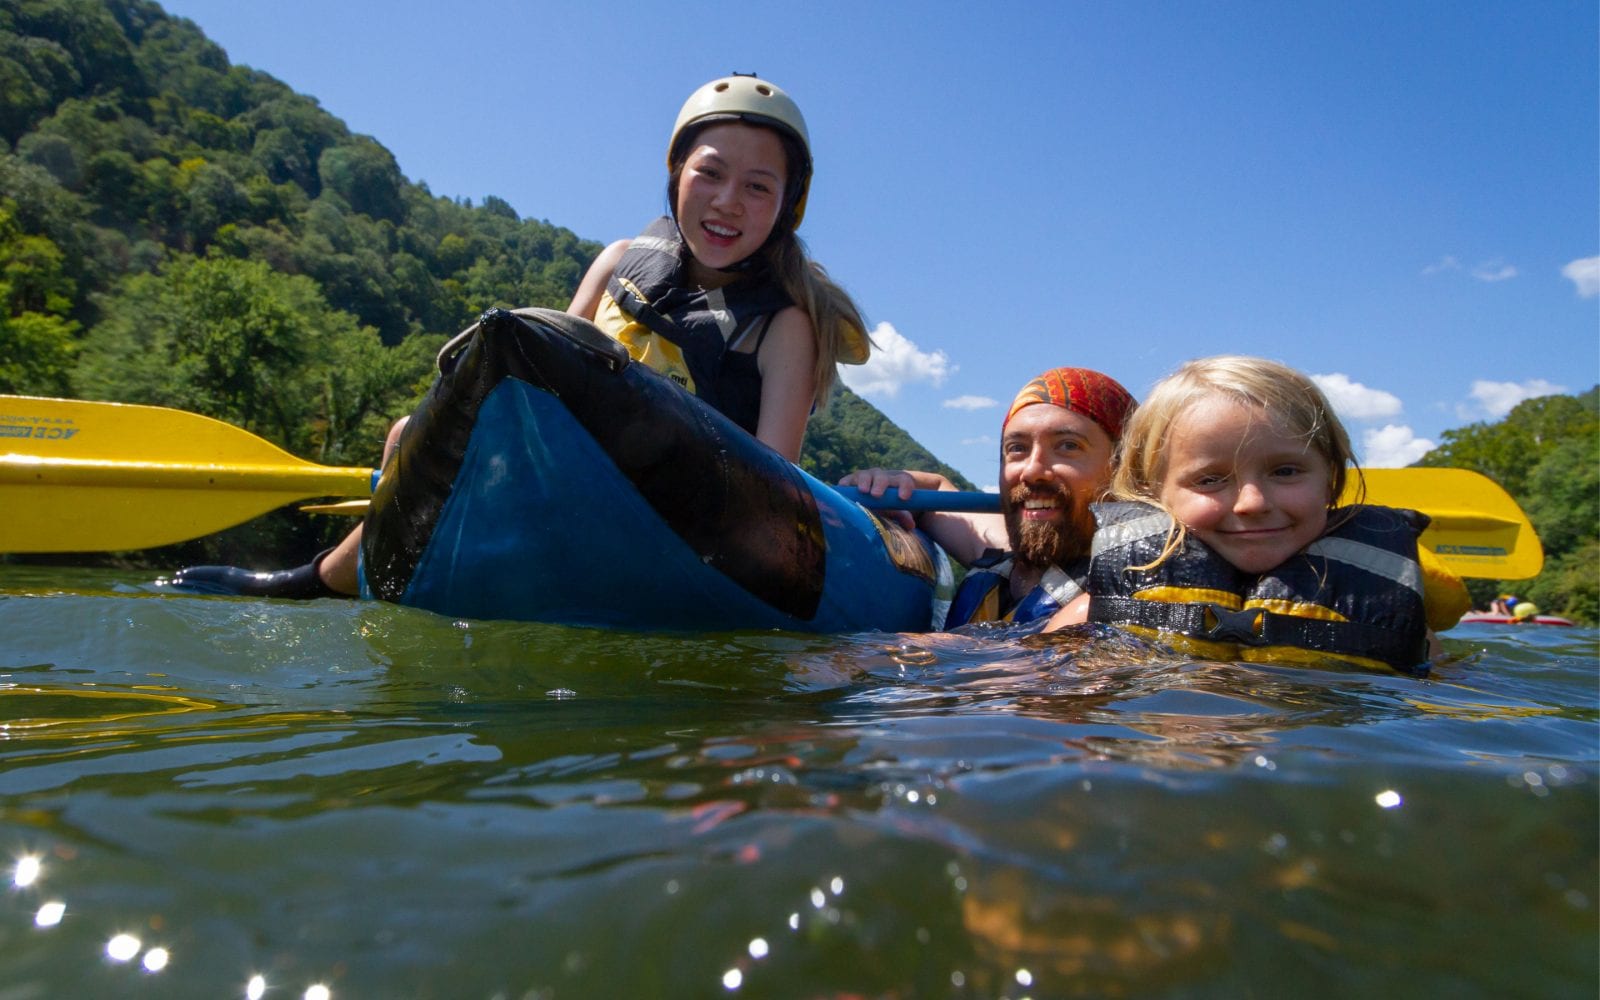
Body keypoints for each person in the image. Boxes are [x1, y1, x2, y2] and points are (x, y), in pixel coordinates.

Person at [173, 74, 869, 599]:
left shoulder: (785, 325)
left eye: (757, 187)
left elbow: (774, 491)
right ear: (676, 176)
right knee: (403, 433)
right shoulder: (620, 259)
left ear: (786, 206)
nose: (726, 202)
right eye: (709, 173)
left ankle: (323, 580)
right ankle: (343, 579)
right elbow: (542, 385)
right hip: (570, 489)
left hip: (682, 528)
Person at [1043, 355, 1471, 674]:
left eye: (1285, 471)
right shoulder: (1095, 611)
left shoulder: (1395, 623)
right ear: (1152, 493)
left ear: (1332, 482)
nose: (1252, 502)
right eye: (1210, 480)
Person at [842, 367, 1137, 628]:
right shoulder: (1003, 559)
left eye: (1068, 446)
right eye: (1017, 448)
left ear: (1126, 468)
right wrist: (896, 485)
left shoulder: (1138, 587)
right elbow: (937, 492)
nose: (1032, 471)